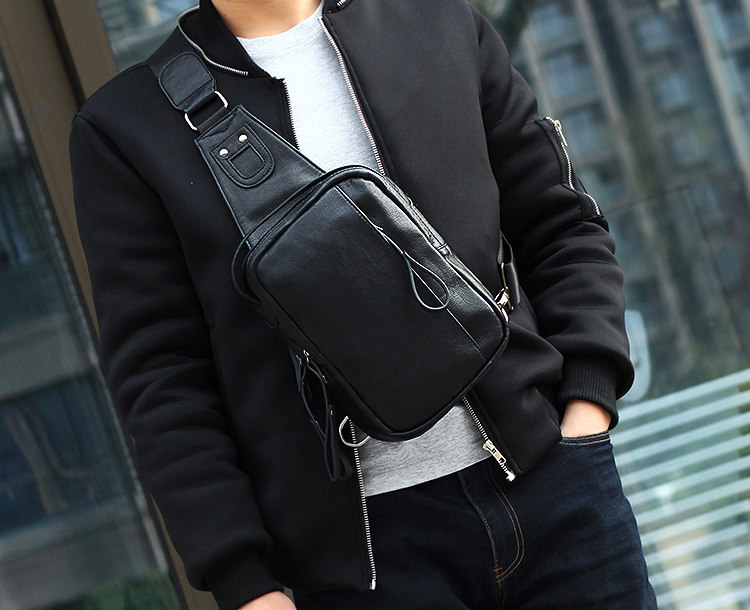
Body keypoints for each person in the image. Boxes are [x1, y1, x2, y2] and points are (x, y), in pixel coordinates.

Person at [69, 0, 657, 608]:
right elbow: (161, 379)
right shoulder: (126, 129)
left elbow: (560, 223)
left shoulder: (433, 18)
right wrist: (242, 580)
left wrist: (587, 403)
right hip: (367, 571)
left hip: (555, 487)